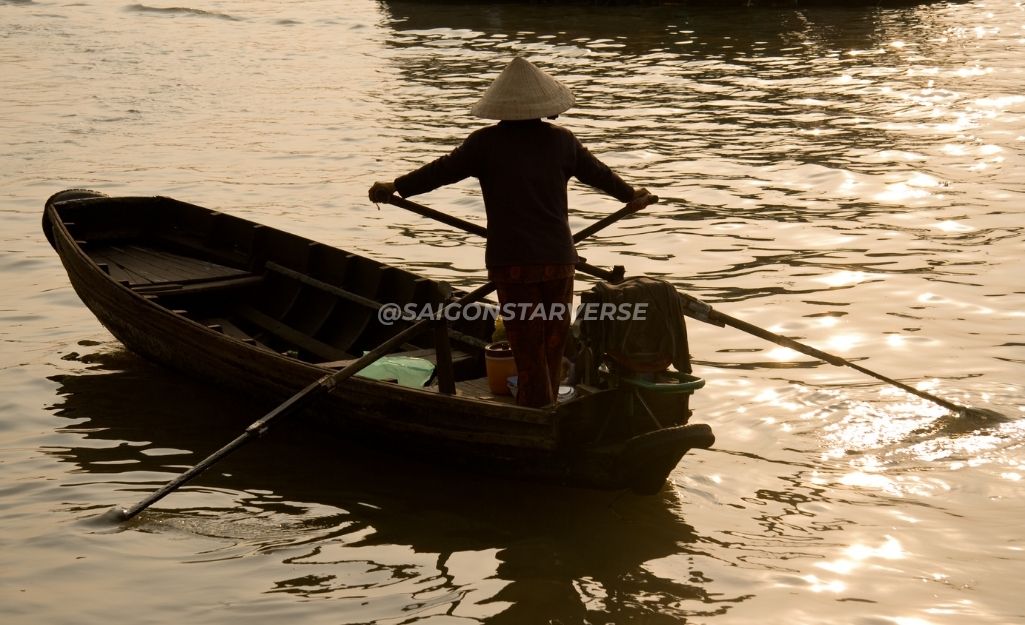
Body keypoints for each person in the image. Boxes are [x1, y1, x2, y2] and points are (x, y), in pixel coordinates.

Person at [369, 56, 647, 407]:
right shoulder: (563, 142)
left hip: (513, 263)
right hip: (558, 260)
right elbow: (601, 175)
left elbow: (439, 172)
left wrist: (395, 186)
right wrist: (631, 195)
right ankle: (549, 412)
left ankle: (537, 414)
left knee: (527, 349)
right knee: (551, 344)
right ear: (545, 108)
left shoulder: (485, 143)